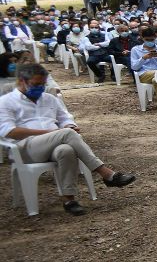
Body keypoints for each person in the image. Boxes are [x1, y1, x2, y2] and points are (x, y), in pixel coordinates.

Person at [0, 63, 137, 215]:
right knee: (66, 134)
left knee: (66, 150)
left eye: (43, 84)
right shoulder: (6, 101)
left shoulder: (49, 98)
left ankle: (69, 199)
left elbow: (65, 117)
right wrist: (52, 132)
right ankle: (106, 173)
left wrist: (70, 126)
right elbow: (9, 131)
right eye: (36, 84)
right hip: (25, 149)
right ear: (21, 81)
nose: (40, 88)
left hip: (53, 143)